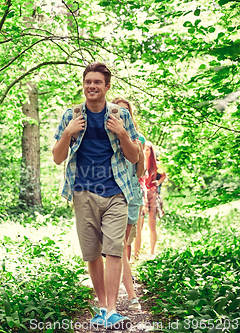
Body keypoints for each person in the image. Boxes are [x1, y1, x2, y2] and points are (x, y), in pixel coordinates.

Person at [52, 63, 139, 329]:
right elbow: (57, 157)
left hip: (116, 192)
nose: (92, 86)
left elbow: (134, 156)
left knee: (113, 250)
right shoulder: (71, 116)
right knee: (91, 253)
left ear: (107, 86)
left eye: (97, 82)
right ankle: (102, 307)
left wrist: (122, 133)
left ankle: (112, 309)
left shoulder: (120, 115)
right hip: (83, 192)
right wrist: (68, 133)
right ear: (83, 84)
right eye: (88, 81)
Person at [112, 97, 145, 311]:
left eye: (126, 112)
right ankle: (130, 296)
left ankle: (117, 297)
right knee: (119, 247)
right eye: (118, 111)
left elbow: (139, 172)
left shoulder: (138, 137)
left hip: (132, 195)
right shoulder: (106, 137)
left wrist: (139, 151)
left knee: (122, 246)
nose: (122, 116)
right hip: (112, 193)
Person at [134, 141, 161, 258]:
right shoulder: (139, 161)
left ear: (151, 151)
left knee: (152, 225)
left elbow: (164, 174)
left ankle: (152, 252)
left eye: (148, 149)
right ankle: (136, 255)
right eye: (144, 149)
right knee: (139, 226)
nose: (146, 151)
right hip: (141, 195)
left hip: (153, 195)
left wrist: (158, 182)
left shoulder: (155, 164)